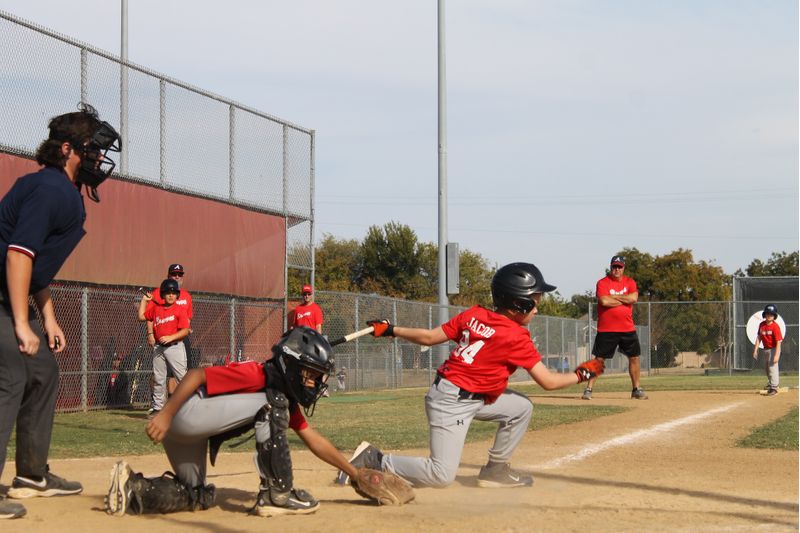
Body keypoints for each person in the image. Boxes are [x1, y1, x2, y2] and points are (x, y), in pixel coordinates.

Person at [335, 262, 604, 489]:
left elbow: (430, 338)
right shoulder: (516, 336)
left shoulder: (475, 314)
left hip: (466, 395)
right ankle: (374, 460)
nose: (537, 308)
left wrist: (392, 329)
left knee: (520, 407)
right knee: (440, 475)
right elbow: (549, 381)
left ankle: (495, 470)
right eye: (533, 302)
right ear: (517, 304)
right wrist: (582, 373)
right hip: (451, 402)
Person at [0, 104, 121, 520]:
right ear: (67, 149)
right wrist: (20, 322)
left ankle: (32, 474)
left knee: (43, 371)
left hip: (9, 295)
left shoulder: (59, 190)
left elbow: (35, 266)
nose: (100, 159)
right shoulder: (51, 190)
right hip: (1, 299)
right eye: (93, 149)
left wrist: (46, 316)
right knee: (11, 376)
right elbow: (18, 255)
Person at [104, 327, 367, 517]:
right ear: (291, 366)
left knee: (195, 495)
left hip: (188, 430)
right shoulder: (259, 375)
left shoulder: (280, 393)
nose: (314, 383)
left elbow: (314, 440)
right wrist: (167, 413)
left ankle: (132, 490)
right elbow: (196, 375)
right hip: (185, 414)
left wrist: (356, 475)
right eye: (311, 374)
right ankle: (277, 495)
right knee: (272, 406)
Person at [581, 255, 648, 400]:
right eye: (614, 266)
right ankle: (589, 389)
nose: (616, 269)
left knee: (634, 358)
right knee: (598, 360)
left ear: (623, 268)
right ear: (610, 267)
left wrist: (615, 299)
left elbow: (634, 298)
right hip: (607, 329)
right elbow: (604, 301)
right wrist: (624, 299)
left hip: (627, 328)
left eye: (619, 267)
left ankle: (636, 389)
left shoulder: (630, 282)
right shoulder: (603, 283)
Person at [138, 279, 190, 418]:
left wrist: (171, 337)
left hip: (175, 347)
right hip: (159, 348)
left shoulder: (180, 310)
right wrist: (144, 301)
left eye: (173, 293)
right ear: (163, 294)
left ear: (177, 295)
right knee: (159, 378)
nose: (171, 295)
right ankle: (158, 408)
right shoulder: (157, 308)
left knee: (182, 378)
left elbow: (185, 330)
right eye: (167, 293)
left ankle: (190, 406)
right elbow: (141, 317)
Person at [139, 263, 194, 395]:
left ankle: (179, 401)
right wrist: (151, 333)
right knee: (160, 375)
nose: (176, 277)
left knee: (182, 373)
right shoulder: (158, 293)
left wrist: (184, 328)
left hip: (179, 339)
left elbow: (188, 318)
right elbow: (150, 315)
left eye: (179, 274)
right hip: (161, 341)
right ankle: (158, 405)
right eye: (173, 274)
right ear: (168, 275)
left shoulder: (186, 295)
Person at [752, 304, 783, 396]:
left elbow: (778, 342)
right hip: (766, 349)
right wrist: (755, 349)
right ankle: (770, 383)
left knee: (772, 367)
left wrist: (777, 355)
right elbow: (759, 337)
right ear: (764, 315)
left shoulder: (775, 327)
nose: (769, 316)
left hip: (774, 349)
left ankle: (774, 387)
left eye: (771, 314)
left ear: (774, 316)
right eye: (767, 314)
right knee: (767, 368)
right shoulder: (762, 325)